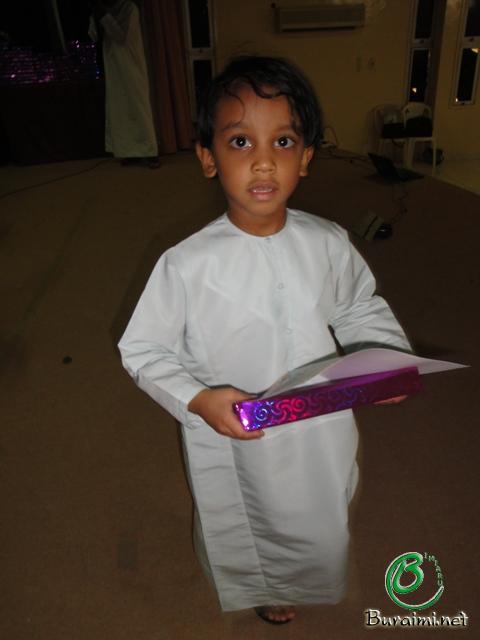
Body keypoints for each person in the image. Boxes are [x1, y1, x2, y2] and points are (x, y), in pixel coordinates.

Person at [118, 56, 411, 624]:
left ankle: (305, 572)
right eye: (239, 141)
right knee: (253, 514)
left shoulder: (327, 241)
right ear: (208, 158)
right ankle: (268, 586)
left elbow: (357, 306)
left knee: (321, 505)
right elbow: (143, 349)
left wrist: (387, 359)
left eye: (282, 141)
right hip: (237, 424)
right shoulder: (187, 264)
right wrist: (198, 399)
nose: (263, 161)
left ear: (305, 158)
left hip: (320, 419)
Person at [89, 0, 160, 168]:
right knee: (119, 110)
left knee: (139, 109)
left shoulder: (129, 8)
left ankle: (150, 152)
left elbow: (120, 36)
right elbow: (94, 35)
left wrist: (103, 15)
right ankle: (129, 152)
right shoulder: (101, 9)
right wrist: (98, 16)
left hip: (132, 66)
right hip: (114, 68)